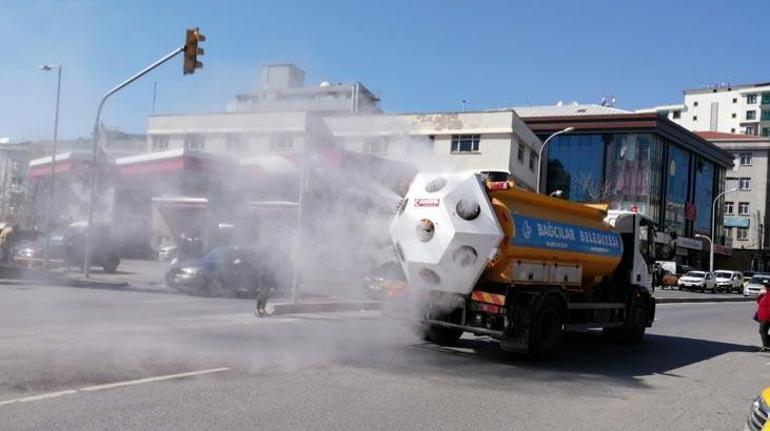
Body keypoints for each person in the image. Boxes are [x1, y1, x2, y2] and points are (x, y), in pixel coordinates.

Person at [756, 283, 770, 352]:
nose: (761, 289)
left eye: (763, 288)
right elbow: (759, 302)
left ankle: (766, 346)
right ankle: (766, 345)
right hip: (763, 317)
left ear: (767, 289)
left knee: (762, 331)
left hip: (767, 317)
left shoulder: (769, 295)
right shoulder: (764, 295)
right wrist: (760, 295)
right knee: (763, 331)